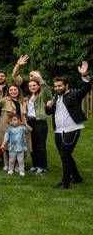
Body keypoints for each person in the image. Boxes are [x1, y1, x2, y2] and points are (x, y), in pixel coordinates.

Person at [46, 61, 90, 189]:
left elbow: (86, 88)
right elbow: (50, 112)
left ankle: (65, 182)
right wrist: (48, 105)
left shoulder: (74, 94)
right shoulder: (56, 97)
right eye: (56, 86)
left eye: (60, 86)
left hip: (72, 129)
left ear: (66, 85)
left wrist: (84, 75)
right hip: (59, 131)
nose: (57, 88)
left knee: (65, 155)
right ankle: (76, 177)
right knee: (65, 154)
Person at [25, 74, 51, 174]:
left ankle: (43, 166)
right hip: (30, 121)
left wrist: (40, 79)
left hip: (40, 121)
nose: (32, 87)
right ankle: (35, 165)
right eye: (30, 86)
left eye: (34, 85)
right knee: (33, 145)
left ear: (38, 86)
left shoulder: (42, 95)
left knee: (41, 145)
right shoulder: (29, 97)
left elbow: (47, 91)